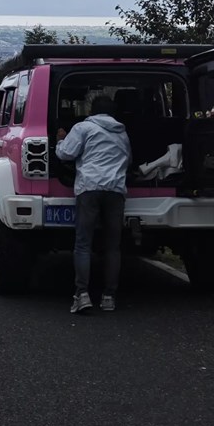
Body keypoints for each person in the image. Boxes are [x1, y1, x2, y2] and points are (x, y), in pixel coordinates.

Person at [56, 95, 131, 314]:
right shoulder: (122, 132)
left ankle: (82, 295)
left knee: (83, 244)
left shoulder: (83, 128)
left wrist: (61, 139)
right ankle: (109, 296)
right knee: (112, 246)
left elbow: (66, 154)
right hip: (115, 191)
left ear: (92, 110)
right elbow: (129, 160)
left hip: (89, 189)